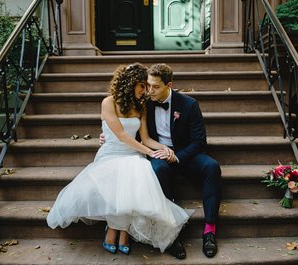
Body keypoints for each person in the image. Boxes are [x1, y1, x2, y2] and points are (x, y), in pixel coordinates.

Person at [46, 63, 191, 255]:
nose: (146, 90)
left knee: (134, 177)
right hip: (111, 154)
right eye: (142, 86)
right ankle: (117, 230)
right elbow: (122, 136)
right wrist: (148, 152)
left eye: (147, 86)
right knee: (120, 180)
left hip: (132, 154)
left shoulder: (141, 106)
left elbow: (146, 138)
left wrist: (164, 148)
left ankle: (119, 231)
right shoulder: (108, 102)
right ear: (130, 84)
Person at [145, 63, 221, 258]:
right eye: (148, 85)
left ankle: (210, 231)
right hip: (158, 154)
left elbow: (199, 141)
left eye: (155, 86)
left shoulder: (189, 104)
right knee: (158, 170)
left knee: (212, 167)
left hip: (185, 155)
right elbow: (127, 127)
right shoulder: (143, 103)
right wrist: (108, 136)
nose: (150, 90)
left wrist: (177, 156)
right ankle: (171, 232)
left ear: (169, 85)